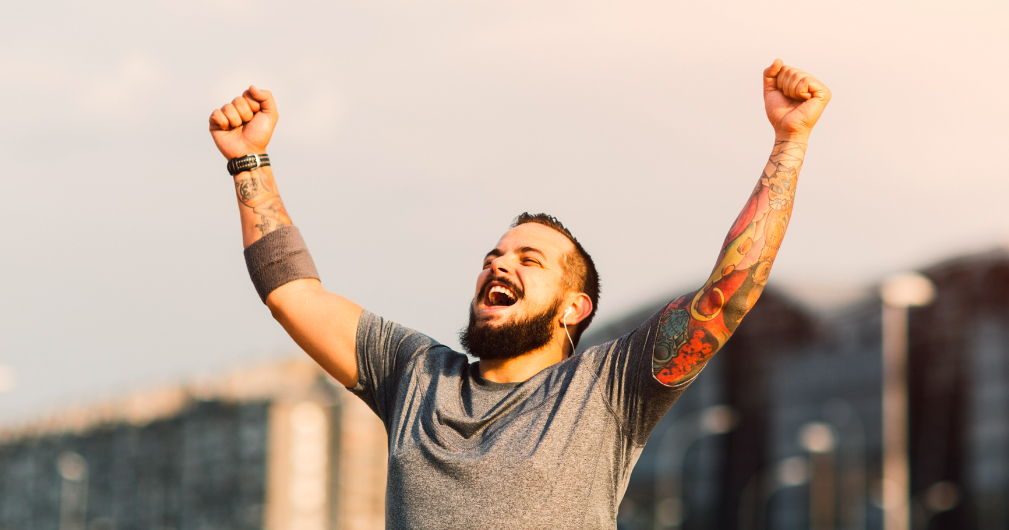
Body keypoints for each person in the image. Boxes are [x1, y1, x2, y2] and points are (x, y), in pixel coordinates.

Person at [208, 59, 830, 529]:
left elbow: (729, 291)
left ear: (573, 308)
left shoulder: (606, 388)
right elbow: (293, 294)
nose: (499, 266)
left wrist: (789, 143)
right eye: (492, 257)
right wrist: (250, 162)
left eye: (529, 260)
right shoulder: (415, 376)